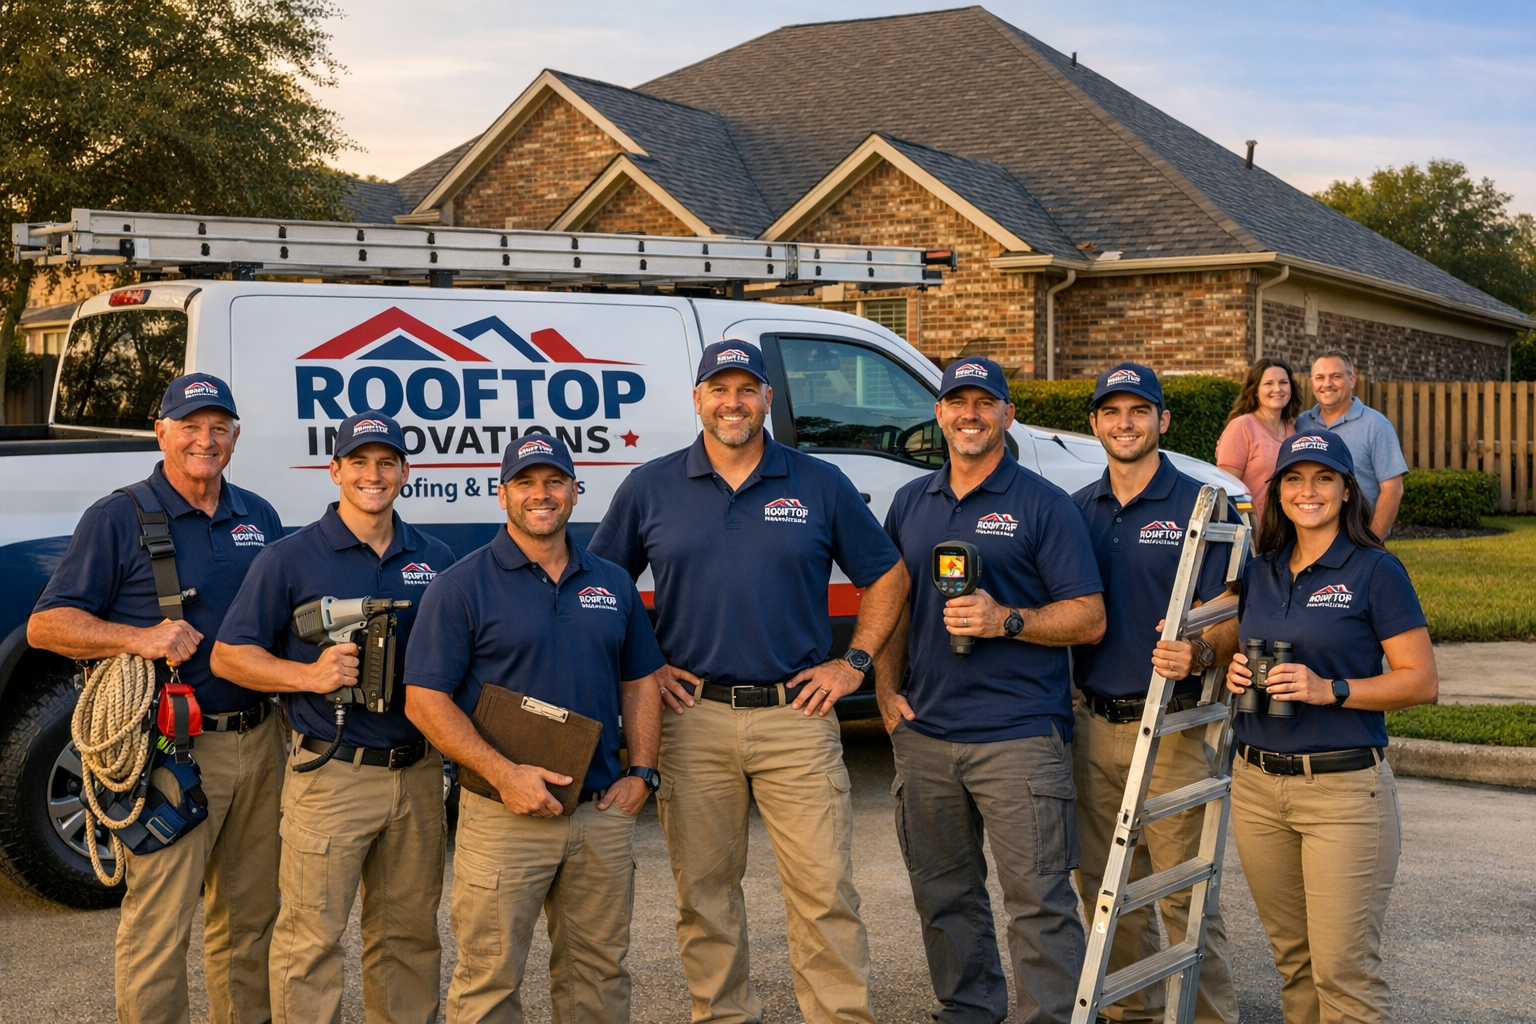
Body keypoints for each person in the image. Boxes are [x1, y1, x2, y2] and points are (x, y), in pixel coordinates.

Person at [589, 340, 909, 1024]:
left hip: (797, 715)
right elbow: (599, 588)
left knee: (824, 891)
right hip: (692, 717)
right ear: (698, 399)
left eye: (745, 389)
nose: (731, 402)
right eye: (718, 389)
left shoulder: (818, 482)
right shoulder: (651, 486)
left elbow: (888, 573)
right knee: (705, 896)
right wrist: (646, 663)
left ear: (767, 399)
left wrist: (851, 662)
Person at [27, 373, 286, 1024]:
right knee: (159, 926)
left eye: (218, 427)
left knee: (251, 921)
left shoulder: (260, 515)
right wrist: (140, 637)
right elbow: (46, 625)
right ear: (162, 431)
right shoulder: (117, 517)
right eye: (190, 425)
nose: (206, 439)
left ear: (235, 437)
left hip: (260, 742)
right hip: (170, 753)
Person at [404, 433, 665, 1024]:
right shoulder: (461, 586)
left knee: (599, 976)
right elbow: (423, 700)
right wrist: (505, 774)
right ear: (502, 496)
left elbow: (641, 680)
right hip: (504, 816)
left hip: (600, 813)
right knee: (489, 981)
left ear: (576, 490)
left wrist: (643, 772)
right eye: (525, 482)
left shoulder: (613, 582)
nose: (541, 495)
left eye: (554, 482)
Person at [875, 356, 1106, 1024]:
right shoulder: (910, 503)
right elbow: (890, 606)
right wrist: (887, 693)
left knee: (1038, 900)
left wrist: (1006, 620)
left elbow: (1089, 617)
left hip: (1020, 736)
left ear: (1007, 414)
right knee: (944, 895)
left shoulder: (1043, 506)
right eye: (957, 402)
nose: (969, 415)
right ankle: (969, 1010)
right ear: (939, 413)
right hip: (926, 735)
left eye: (985, 403)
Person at [210, 411, 457, 1024]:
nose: (373, 475)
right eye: (359, 462)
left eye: (386, 462)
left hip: (420, 774)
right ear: (336, 470)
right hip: (331, 774)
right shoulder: (288, 559)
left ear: (406, 472)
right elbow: (228, 655)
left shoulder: (437, 557)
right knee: (309, 942)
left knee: (409, 939)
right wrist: (309, 676)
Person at [1226, 429, 1437, 1024]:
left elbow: (1420, 680)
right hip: (1258, 786)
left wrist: (1331, 689)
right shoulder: (1259, 571)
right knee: (1293, 962)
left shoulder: (1376, 571)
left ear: (1348, 490)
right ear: (1278, 491)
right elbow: (1231, 645)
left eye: (1324, 478)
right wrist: (1234, 666)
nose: (1307, 491)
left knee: (1342, 973)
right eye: (1293, 478)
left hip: (1343, 790)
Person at [1070, 362, 1240, 1024]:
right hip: (1091, 722)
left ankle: (1212, 1016)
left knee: (1181, 894)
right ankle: (1127, 1014)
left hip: (1170, 728)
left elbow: (1236, 606)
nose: (1125, 423)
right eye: (1111, 412)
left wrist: (1200, 648)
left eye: (1139, 411)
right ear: (1095, 425)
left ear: (1162, 420)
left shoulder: (1201, 505)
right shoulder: (1077, 509)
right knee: (1107, 893)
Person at [1296, 351, 1407, 538]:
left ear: (1352, 380)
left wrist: (1372, 541)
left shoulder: (1376, 426)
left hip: (1356, 539)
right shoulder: (1301, 424)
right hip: (1307, 541)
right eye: (1319, 377)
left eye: (1336, 376)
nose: (1327, 384)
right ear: (1311, 382)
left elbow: (1393, 489)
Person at [1216, 357, 1300, 521]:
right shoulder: (1241, 428)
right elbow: (1227, 491)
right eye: (1268, 384)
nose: (1277, 388)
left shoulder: (1292, 431)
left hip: (1286, 533)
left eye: (1283, 382)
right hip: (1251, 532)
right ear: (1255, 391)